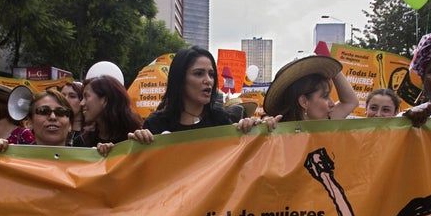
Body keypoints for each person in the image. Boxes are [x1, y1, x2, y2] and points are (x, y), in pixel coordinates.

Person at [143, 46, 277, 135]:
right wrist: (139, 144)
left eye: (211, 74)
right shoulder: (155, 125)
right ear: (180, 79)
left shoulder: (221, 121)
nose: (208, 80)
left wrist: (256, 130)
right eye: (199, 73)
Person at [263, 54, 358, 121]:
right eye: (325, 96)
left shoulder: (325, 122)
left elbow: (350, 102)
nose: (332, 103)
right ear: (304, 101)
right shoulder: (275, 131)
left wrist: (332, 69)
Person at [78, 75, 153, 156]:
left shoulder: (137, 138)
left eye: (86, 96)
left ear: (105, 100)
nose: (81, 103)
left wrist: (144, 142)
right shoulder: (82, 142)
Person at [59, 81, 86, 146]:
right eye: (62, 96)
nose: (65, 99)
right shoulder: (53, 127)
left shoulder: (93, 132)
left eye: (72, 96)